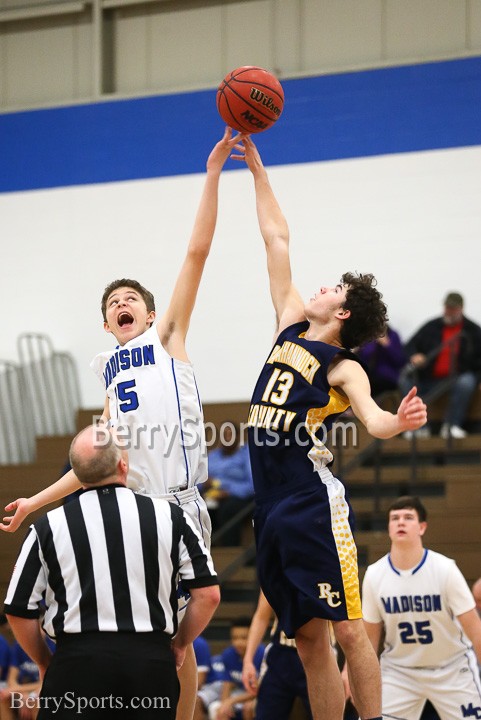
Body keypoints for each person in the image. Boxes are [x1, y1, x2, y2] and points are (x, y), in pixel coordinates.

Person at [0, 127, 245, 720]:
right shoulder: (110, 381)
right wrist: (34, 500)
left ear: (151, 311)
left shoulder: (168, 338)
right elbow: (91, 467)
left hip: (179, 505)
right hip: (134, 512)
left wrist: (212, 173)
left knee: (180, 646)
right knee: (153, 641)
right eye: (112, 304)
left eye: (130, 297)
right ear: (109, 325)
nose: (121, 304)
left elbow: (196, 253)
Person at [233, 135, 427, 720]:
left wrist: (402, 419)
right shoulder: (289, 326)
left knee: (345, 633)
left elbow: (374, 420)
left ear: (342, 314)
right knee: (308, 640)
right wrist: (259, 174)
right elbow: (276, 238)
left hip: (311, 502)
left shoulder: (345, 368)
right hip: (268, 506)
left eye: (334, 289)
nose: (321, 286)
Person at [3, 425, 220, 720]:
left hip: (75, 666)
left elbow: (17, 610)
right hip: (150, 666)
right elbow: (208, 595)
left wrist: (45, 662)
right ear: (123, 464)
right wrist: (181, 643)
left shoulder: (46, 527)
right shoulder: (172, 517)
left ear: (77, 474)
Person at [360, 495, 481, 720]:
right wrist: (350, 672)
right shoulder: (375, 575)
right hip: (399, 671)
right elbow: (368, 639)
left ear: (422, 527)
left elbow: (475, 629)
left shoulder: (445, 569)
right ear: (388, 527)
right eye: (394, 518)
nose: (401, 522)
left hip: (451, 668)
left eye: (408, 517)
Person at [400, 291, 481, 439]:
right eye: (447, 307)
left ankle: (451, 425)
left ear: (461, 309)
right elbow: (410, 345)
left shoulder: (472, 331)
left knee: (466, 382)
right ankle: (419, 427)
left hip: (457, 378)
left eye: (452, 308)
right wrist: (414, 355)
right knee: (405, 380)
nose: (448, 312)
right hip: (429, 378)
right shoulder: (432, 326)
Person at [242, 590, 312, 720]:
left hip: (318, 655)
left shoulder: (330, 570)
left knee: (328, 715)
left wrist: (347, 669)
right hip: (282, 652)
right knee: (265, 715)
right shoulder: (275, 569)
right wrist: (248, 660)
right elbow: (261, 616)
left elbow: (348, 622)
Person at [204, 423, 254, 546]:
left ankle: (229, 551)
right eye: (224, 435)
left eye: (230, 434)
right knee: (200, 508)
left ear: (238, 436)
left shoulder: (247, 454)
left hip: (240, 497)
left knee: (228, 510)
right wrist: (204, 484)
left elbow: (252, 485)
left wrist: (228, 491)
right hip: (213, 496)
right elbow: (202, 479)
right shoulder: (213, 456)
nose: (227, 438)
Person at [208, 617, 262, 720]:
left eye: (244, 638)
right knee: (220, 710)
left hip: (260, 695)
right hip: (239, 693)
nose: (238, 642)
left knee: (248, 708)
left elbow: (258, 690)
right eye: (235, 638)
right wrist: (225, 704)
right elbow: (227, 684)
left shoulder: (262, 654)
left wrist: (231, 701)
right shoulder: (228, 654)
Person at [357, 325, 406, 399]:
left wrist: (387, 345)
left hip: (387, 377)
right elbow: (363, 357)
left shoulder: (393, 335)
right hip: (368, 373)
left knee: (365, 384)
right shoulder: (368, 336)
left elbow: (400, 361)